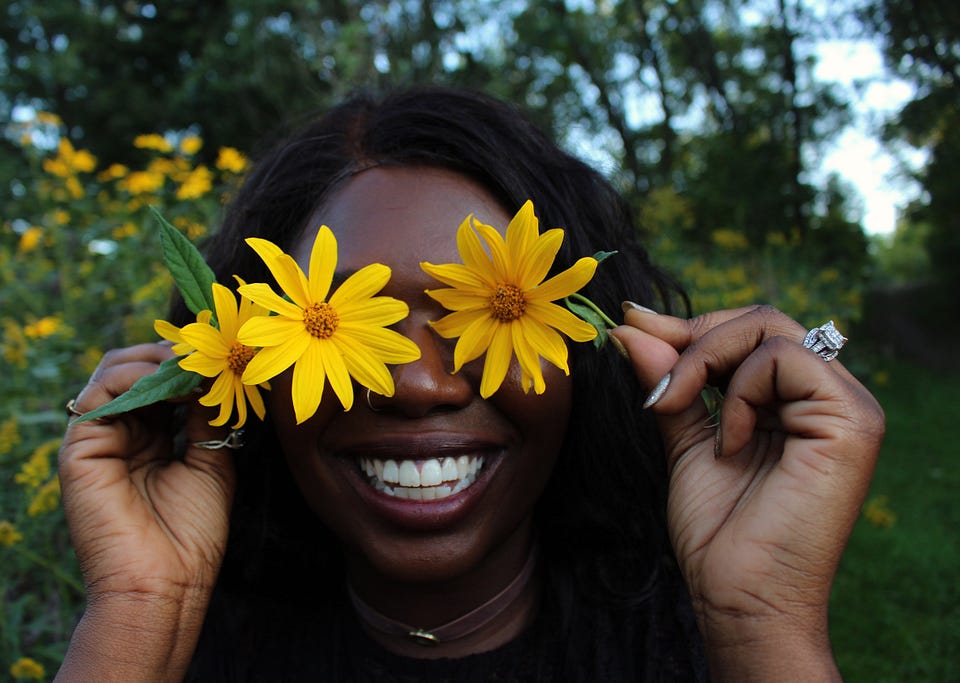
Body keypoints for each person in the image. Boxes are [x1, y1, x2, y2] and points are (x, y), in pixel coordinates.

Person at [55, 87, 884, 681]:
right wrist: (138, 613)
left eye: (468, 316)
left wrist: (763, 624)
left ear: (594, 355)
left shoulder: (694, 640)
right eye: (347, 319)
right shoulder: (178, 643)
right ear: (241, 366)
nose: (418, 383)